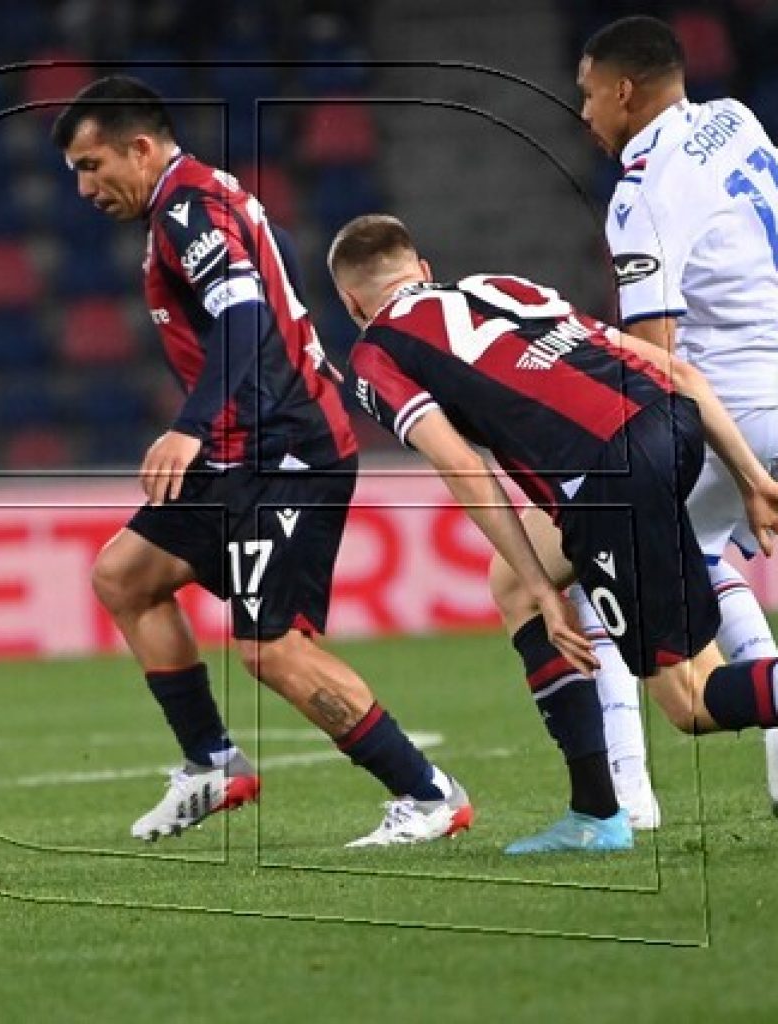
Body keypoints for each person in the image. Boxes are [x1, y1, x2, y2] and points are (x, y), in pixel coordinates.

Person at [51, 76, 472, 848]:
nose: (84, 187)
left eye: (91, 164)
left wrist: (187, 427)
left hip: (285, 451)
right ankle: (212, 763)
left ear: (140, 147)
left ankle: (429, 793)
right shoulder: (190, 202)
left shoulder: (188, 209)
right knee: (124, 578)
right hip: (239, 451)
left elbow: (243, 320)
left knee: (269, 647)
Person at [328, 213, 778, 853]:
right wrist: (751, 475)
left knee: (691, 700)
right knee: (508, 581)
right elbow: (676, 372)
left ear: (352, 303)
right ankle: (596, 809)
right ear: (423, 271)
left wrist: (548, 589)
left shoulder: (375, 355)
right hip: (674, 423)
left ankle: (602, 817)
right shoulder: (498, 288)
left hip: (606, 473)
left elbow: (464, 469)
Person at [491, 14, 778, 828]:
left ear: (623, 92)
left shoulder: (641, 194)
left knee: (575, 562)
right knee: (698, 550)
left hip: (734, 410)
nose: (582, 115)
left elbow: (655, 364)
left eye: (587, 96)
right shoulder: (735, 119)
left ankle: (624, 800)